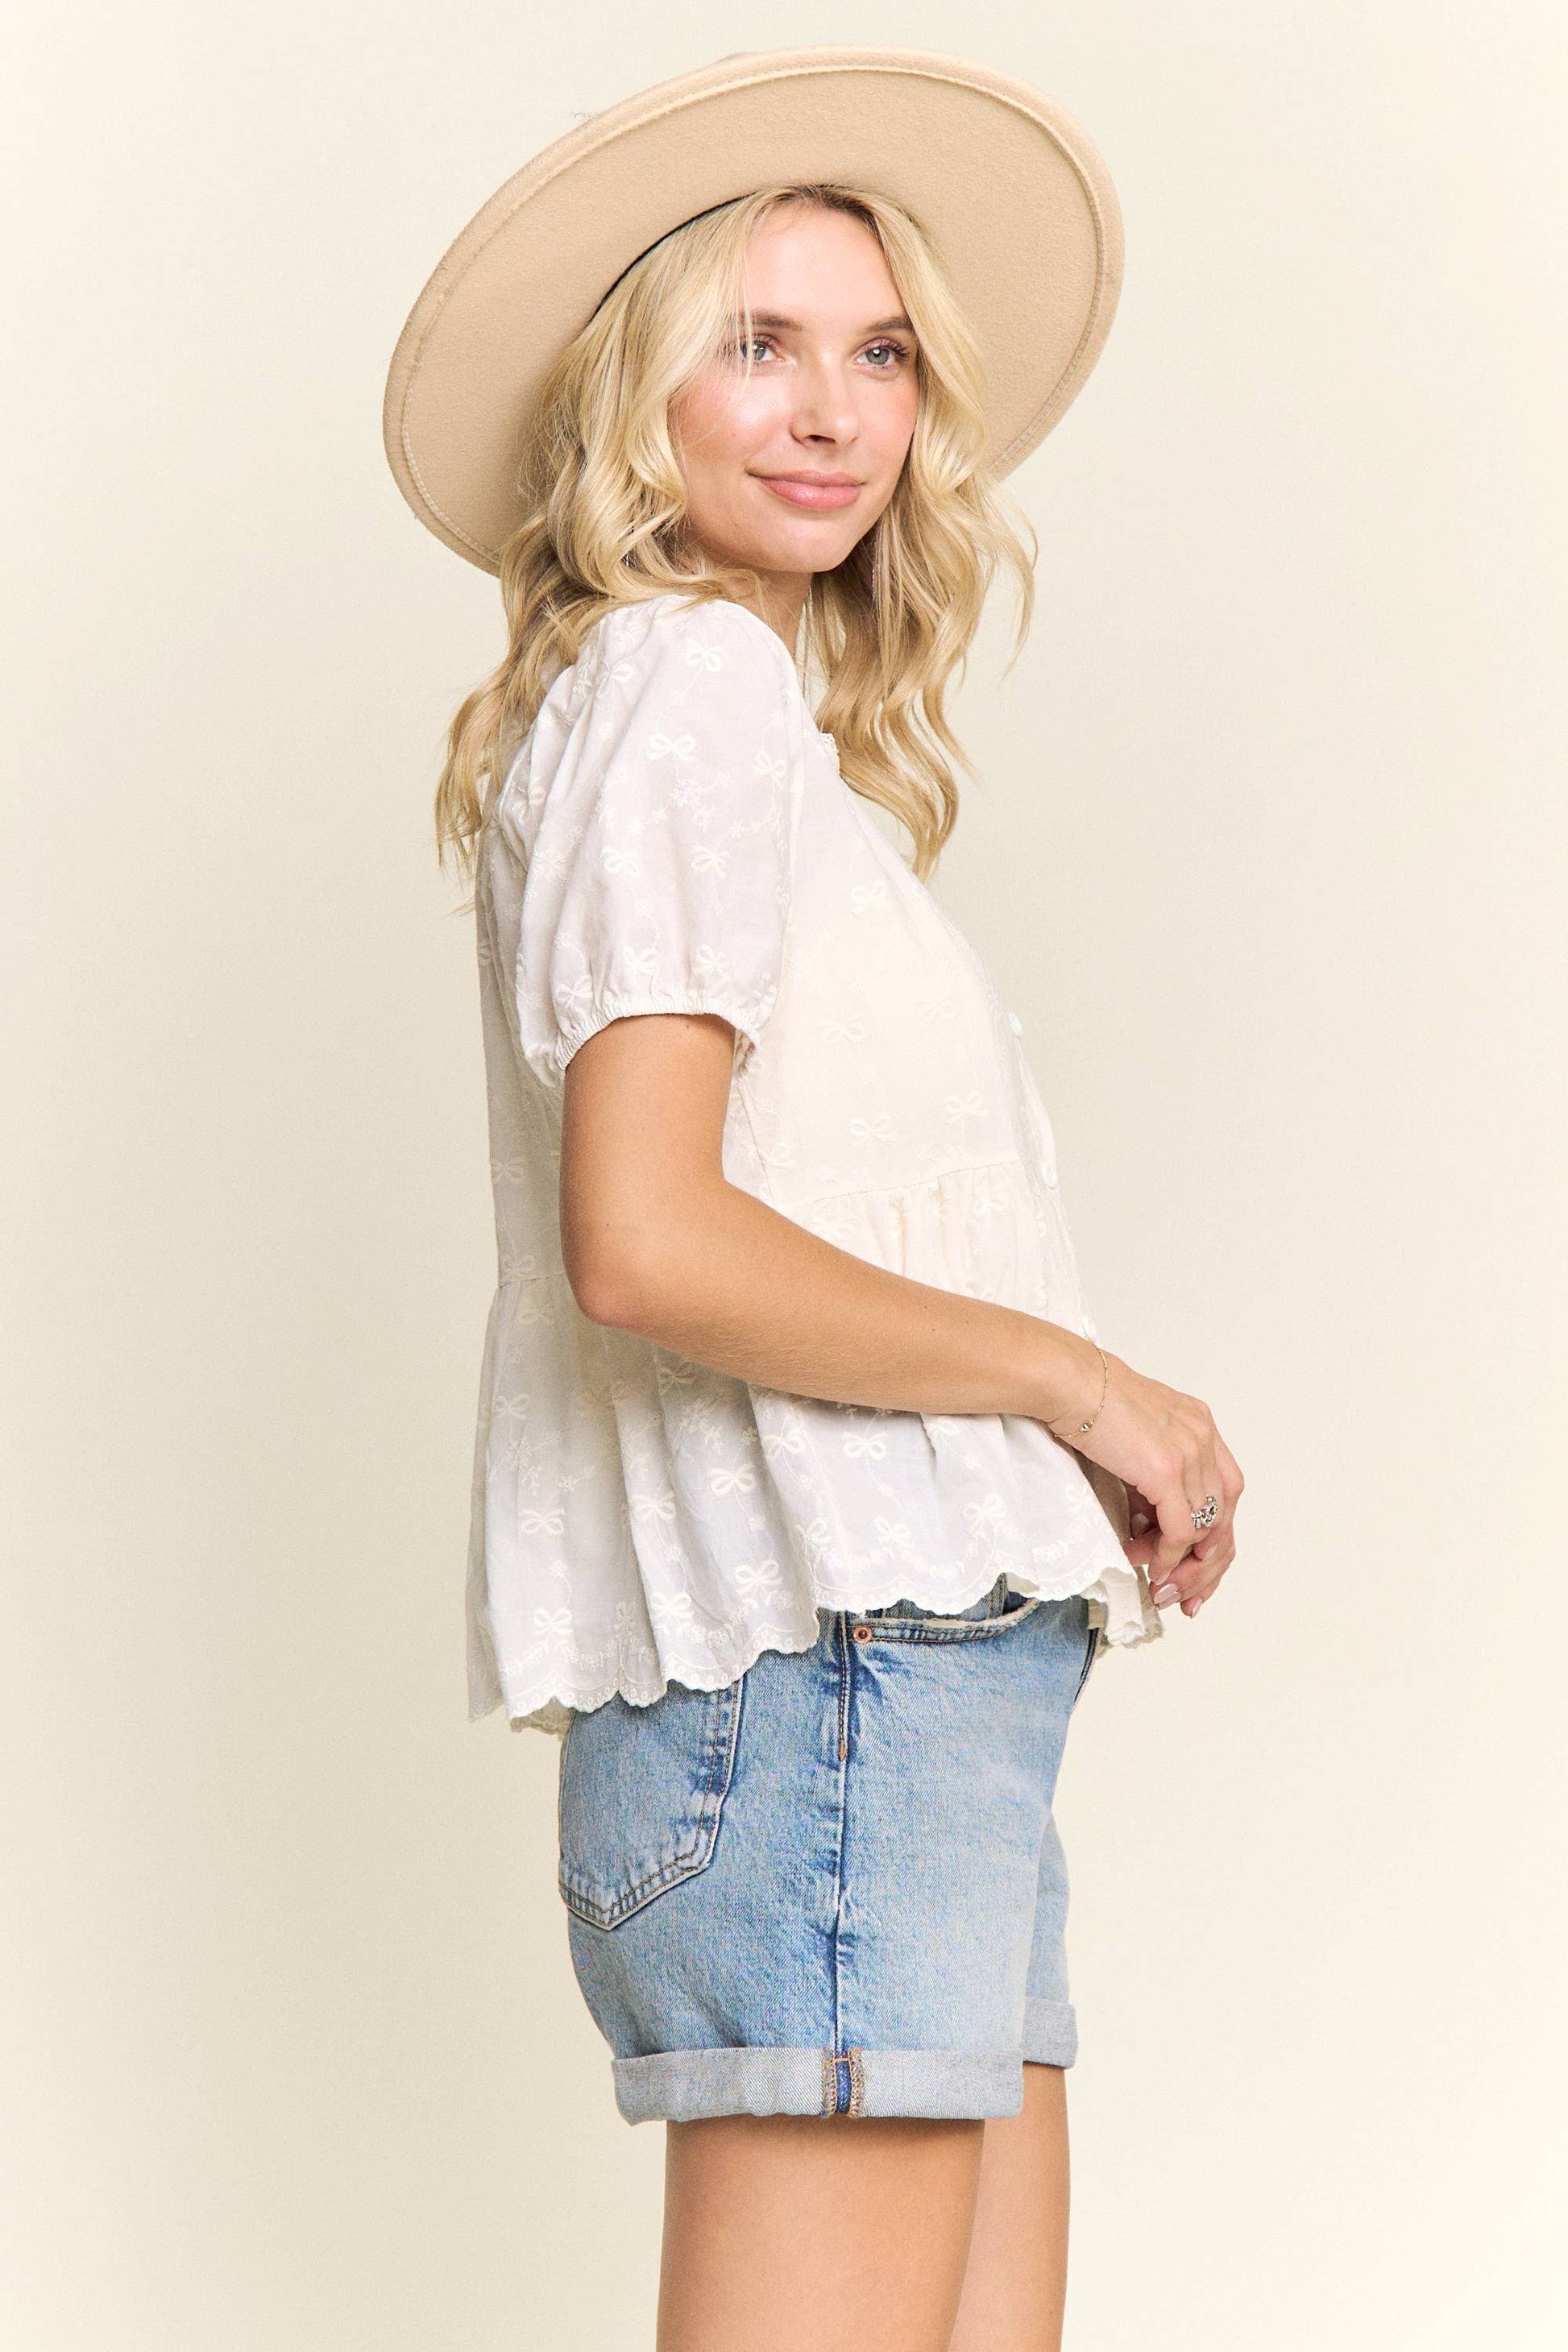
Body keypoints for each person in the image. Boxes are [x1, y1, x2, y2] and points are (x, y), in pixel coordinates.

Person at [384, 47, 1242, 2352]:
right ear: (631, 392)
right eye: (754, 342)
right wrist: (1081, 1384)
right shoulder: (676, 684)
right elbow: (646, 1238)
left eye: (878, 353)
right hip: (828, 1677)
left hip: (917, 1684)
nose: (830, 410)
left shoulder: (757, 737)